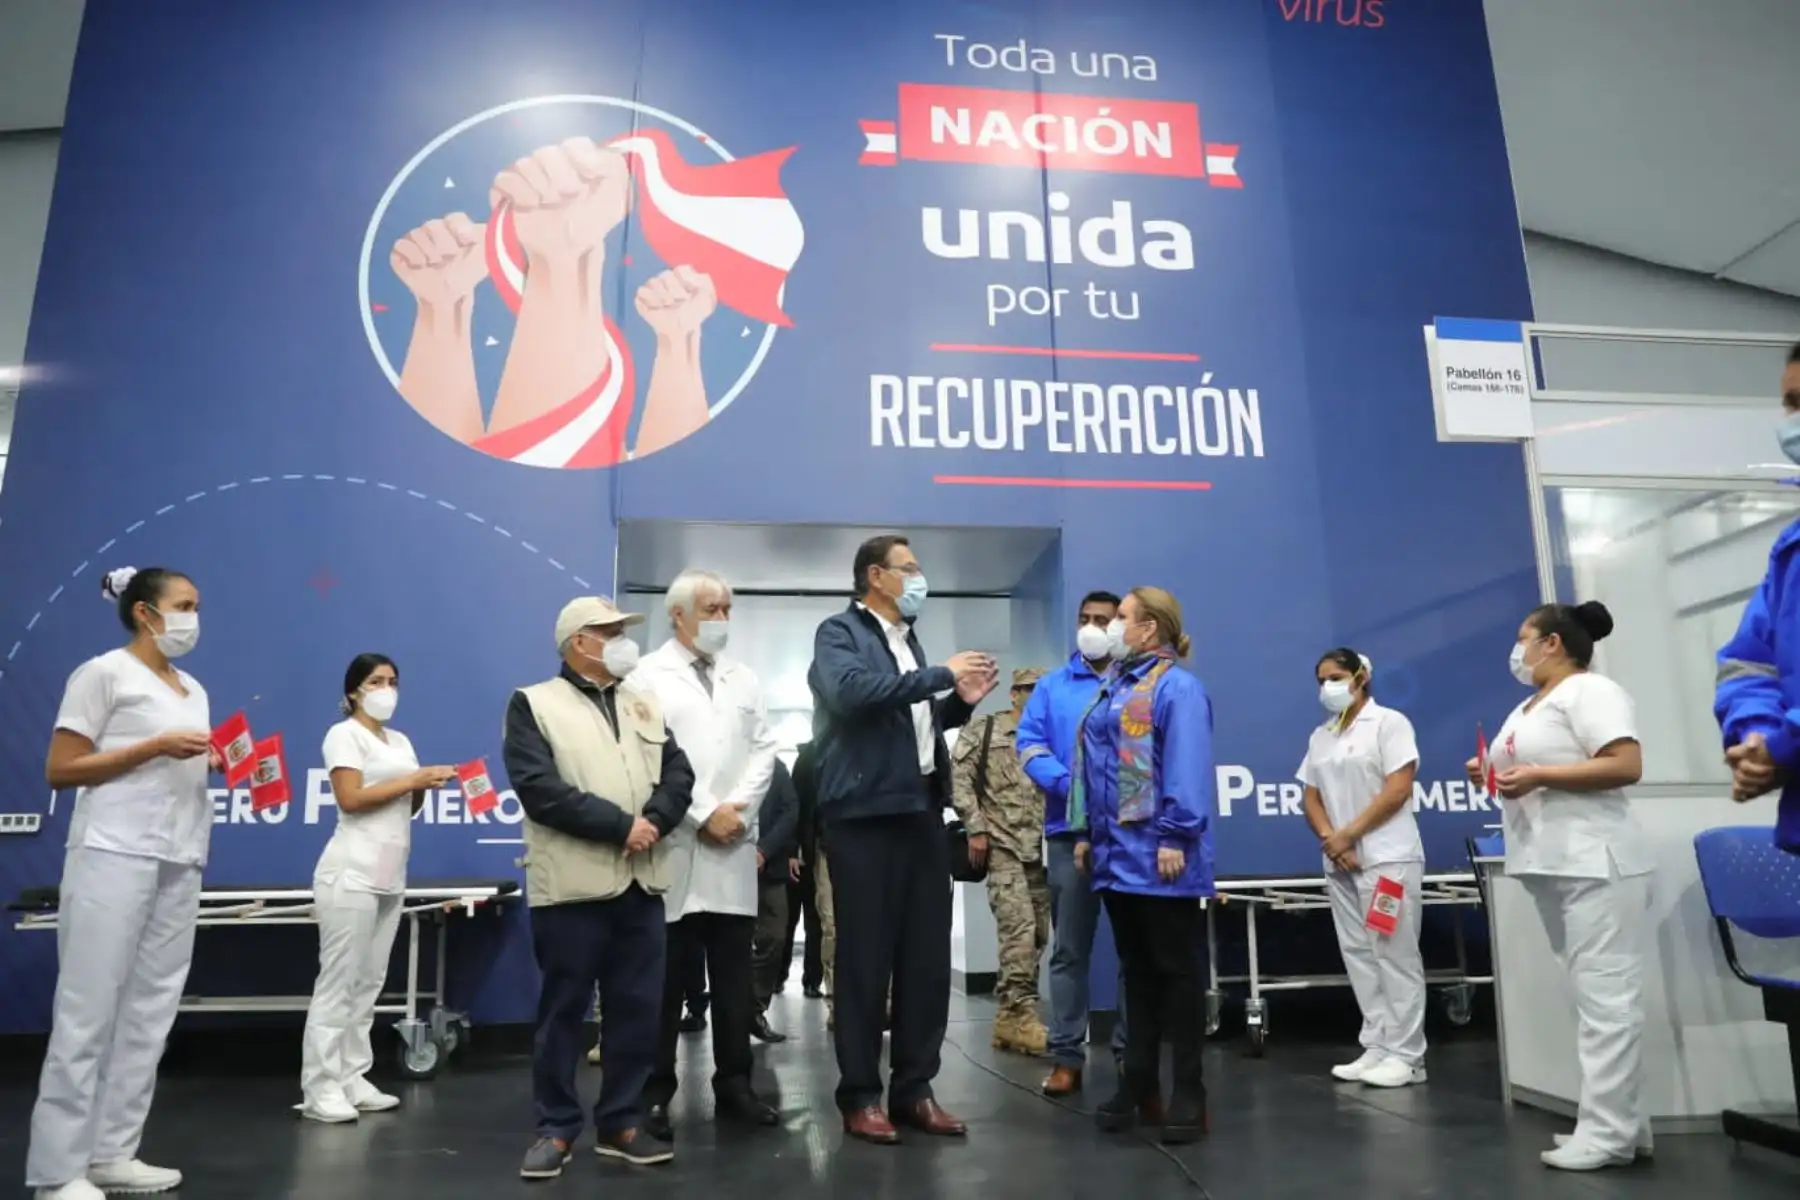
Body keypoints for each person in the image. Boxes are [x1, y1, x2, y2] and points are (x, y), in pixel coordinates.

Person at [27, 566, 222, 1200]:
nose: (194, 617)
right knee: (88, 1012)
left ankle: (114, 1152)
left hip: (179, 857)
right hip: (113, 852)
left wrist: (209, 757)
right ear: (145, 611)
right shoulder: (102, 673)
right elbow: (63, 768)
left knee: (150, 1012)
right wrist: (154, 746)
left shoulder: (191, 687)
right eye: (184, 605)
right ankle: (58, 1171)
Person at [808, 533, 997, 1144]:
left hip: (919, 811)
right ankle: (860, 1096)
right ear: (875, 576)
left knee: (925, 959)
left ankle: (914, 1089)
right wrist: (941, 675)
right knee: (865, 961)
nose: (919, 578)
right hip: (862, 817)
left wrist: (956, 705)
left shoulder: (907, 641)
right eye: (909, 568)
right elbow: (851, 694)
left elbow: (911, 727)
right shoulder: (839, 634)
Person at [502, 597, 695, 1179]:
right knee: (564, 1011)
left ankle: (621, 1122)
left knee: (638, 1009)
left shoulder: (643, 702)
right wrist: (621, 827)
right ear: (577, 642)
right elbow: (539, 788)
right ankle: (555, 1129)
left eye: (621, 631)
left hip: (642, 884)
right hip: (573, 888)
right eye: (609, 632)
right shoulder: (533, 704)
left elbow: (679, 772)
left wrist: (656, 821)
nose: (621, 640)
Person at [1467, 600, 1651, 1171]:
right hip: (1550, 862)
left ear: (1552, 643)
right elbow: (1522, 768)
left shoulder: (1591, 692)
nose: (1516, 649)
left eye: (1524, 637)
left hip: (1595, 861)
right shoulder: (1529, 705)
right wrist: (1490, 774)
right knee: (1591, 1000)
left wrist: (1542, 774)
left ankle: (1610, 1135)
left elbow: (1625, 764)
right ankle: (1619, 1124)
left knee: (1607, 999)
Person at [632, 570, 780, 1137]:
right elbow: (651, 755)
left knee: (734, 981)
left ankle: (736, 1086)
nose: (722, 619)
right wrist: (703, 812)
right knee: (665, 983)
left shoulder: (744, 678)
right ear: (677, 615)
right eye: (711, 608)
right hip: (676, 843)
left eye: (726, 608)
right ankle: (654, 1092)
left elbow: (764, 748)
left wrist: (736, 809)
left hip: (733, 847)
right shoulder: (647, 675)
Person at [1070, 586, 1214, 1145]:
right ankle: (1141, 1083)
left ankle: (1190, 1091)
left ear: (1149, 627)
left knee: (1176, 975)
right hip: (1116, 855)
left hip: (1163, 856)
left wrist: (1176, 834)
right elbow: (1094, 764)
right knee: (1137, 973)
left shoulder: (1178, 689)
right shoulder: (1115, 687)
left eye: (1122, 618)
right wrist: (1085, 832)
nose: (1113, 628)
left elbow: (1185, 765)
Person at [300, 655, 456, 1122]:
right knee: (339, 981)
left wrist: (424, 785)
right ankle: (320, 1086)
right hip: (350, 872)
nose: (386, 689)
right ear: (353, 692)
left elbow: (403, 809)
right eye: (375, 682)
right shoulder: (343, 734)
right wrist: (412, 778)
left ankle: (352, 1075)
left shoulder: (400, 740)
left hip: (391, 872)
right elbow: (350, 799)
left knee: (368, 982)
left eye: (392, 681)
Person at [1016, 590, 1129, 1096]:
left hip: (1130, 835)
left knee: (1134, 950)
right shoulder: (1052, 687)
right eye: (1084, 619)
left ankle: (1132, 1054)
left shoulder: (1137, 682)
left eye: (1102, 620)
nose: (1091, 626)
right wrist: (1072, 788)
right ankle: (1067, 1056)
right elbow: (1030, 745)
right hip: (1068, 834)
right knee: (1068, 951)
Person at [1298, 649, 1426, 1088]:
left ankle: (1409, 1056)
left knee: (1393, 953)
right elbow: (1310, 797)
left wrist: (1349, 834)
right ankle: (1378, 1044)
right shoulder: (1323, 735)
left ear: (1361, 676)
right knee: (1359, 953)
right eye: (1321, 680)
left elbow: (1397, 790)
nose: (1328, 687)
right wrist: (1334, 842)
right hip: (1341, 863)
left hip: (1386, 859)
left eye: (1336, 677)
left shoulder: (1389, 724)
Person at [1714, 337, 1800, 854]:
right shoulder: (1791, 550)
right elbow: (1748, 665)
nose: (1793, 420)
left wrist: (1783, 746)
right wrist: (1756, 740)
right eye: (1792, 404)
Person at [952, 667, 1052, 1056]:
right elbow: (958, 779)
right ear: (1015, 694)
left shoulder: (1050, 736)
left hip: (1040, 850)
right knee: (1020, 931)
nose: (1038, 696)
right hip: (1002, 846)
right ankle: (1021, 1014)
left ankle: (1008, 1019)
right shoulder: (985, 730)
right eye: (1031, 690)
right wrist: (976, 828)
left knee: (1039, 934)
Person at [750, 756, 801, 1041]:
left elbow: (790, 809)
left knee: (775, 936)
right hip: (725, 863)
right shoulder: (723, 760)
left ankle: (755, 1008)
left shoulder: (774, 766)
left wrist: (764, 850)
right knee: (731, 945)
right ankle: (738, 1014)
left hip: (769, 865)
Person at [775, 740, 825, 1000]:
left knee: (815, 922)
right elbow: (795, 807)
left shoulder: (820, 755)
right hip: (802, 853)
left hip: (818, 851)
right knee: (791, 920)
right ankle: (781, 976)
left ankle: (811, 980)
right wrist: (792, 851)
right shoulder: (808, 759)